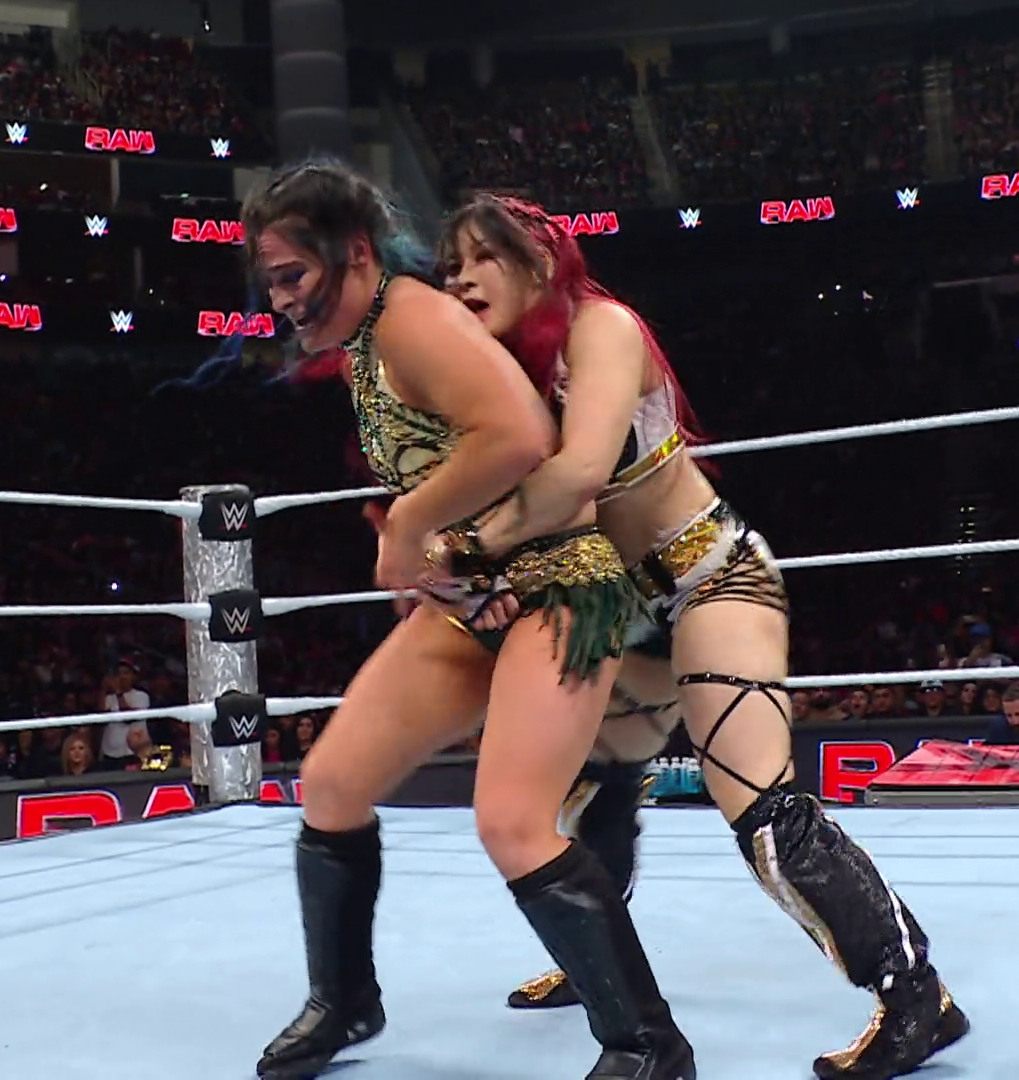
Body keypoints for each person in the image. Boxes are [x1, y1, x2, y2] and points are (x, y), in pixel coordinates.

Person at [438, 193, 968, 1080]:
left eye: (478, 258)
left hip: (712, 580)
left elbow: (578, 473)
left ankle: (918, 998)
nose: (459, 280)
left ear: (538, 259)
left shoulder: (602, 328)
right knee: (589, 787)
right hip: (625, 610)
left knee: (765, 819)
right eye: (449, 267)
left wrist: (458, 544)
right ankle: (598, 969)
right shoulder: (503, 381)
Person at [242, 161, 694, 1080]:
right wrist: (426, 543)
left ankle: (649, 1046)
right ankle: (345, 1000)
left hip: (559, 586)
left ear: (354, 253)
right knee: (331, 785)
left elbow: (522, 436)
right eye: (272, 281)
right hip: (471, 599)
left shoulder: (411, 319)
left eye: (292, 275)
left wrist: (413, 525)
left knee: (513, 822)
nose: (280, 299)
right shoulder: (370, 339)